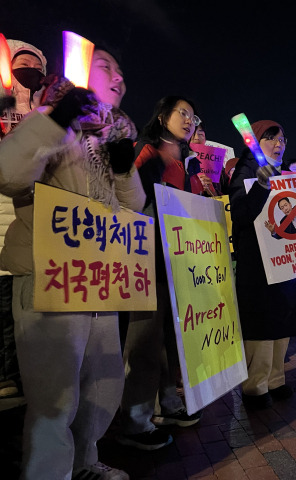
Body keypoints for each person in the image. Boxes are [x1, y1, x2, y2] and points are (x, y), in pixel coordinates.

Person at [0, 47, 143, 480]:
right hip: (50, 277)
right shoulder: (46, 123)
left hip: (99, 279)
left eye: (121, 70)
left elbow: (133, 207)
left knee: (103, 385)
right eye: (106, 67)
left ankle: (85, 463)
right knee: (54, 397)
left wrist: (123, 168)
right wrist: (57, 118)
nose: (118, 76)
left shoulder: (110, 137)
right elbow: (8, 173)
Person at [117, 96, 204, 451]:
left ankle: (169, 404)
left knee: (173, 339)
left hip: (177, 261)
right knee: (144, 343)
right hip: (147, 261)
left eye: (192, 115)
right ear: (162, 116)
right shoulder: (146, 150)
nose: (188, 120)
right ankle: (136, 420)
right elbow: (130, 198)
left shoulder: (186, 160)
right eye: (181, 113)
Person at [229, 120, 296, 410]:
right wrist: (260, 185)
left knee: (281, 318)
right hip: (257, 263)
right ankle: (255, 386)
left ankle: (276, 378)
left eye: (282, 139)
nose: (279, 144)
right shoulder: (245, 171)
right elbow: (239, 213)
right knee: (261, 322)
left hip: (284, 260)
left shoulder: (287, 176)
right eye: (271, 138)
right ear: (256, 142)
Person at [0, 40, 47, 410]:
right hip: (2, 218)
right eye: (21, 62)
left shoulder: (48, 113)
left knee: (31, 311)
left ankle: (31, 377)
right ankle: (8, 376)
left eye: (34, 62)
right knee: (4, 306)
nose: (27, 67)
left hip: (39, 221)